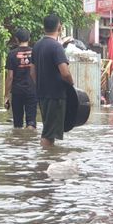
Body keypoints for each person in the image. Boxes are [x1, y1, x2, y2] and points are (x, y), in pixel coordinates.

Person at [31, 14, 74, 148]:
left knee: (48, 128)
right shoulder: (56, 47)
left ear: (44, 27)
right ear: (59, 27)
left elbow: (32, 72)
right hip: (55, 95)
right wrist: (72, 84)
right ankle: (45, 162)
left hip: (42, 94)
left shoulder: (37, 46)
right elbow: (65, 73)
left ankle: (47, 160)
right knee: (49, 134)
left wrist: (41, 85)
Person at [4, 28, 37, 129]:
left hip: (17, 92)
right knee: (31, 122)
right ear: (29, 39)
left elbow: (10, 77)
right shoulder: (35, 52)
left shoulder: (12, 54)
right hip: (32, 91)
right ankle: (30, 141)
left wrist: (6, 95)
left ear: (16, 39)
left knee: (17, 124)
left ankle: (18, 141)